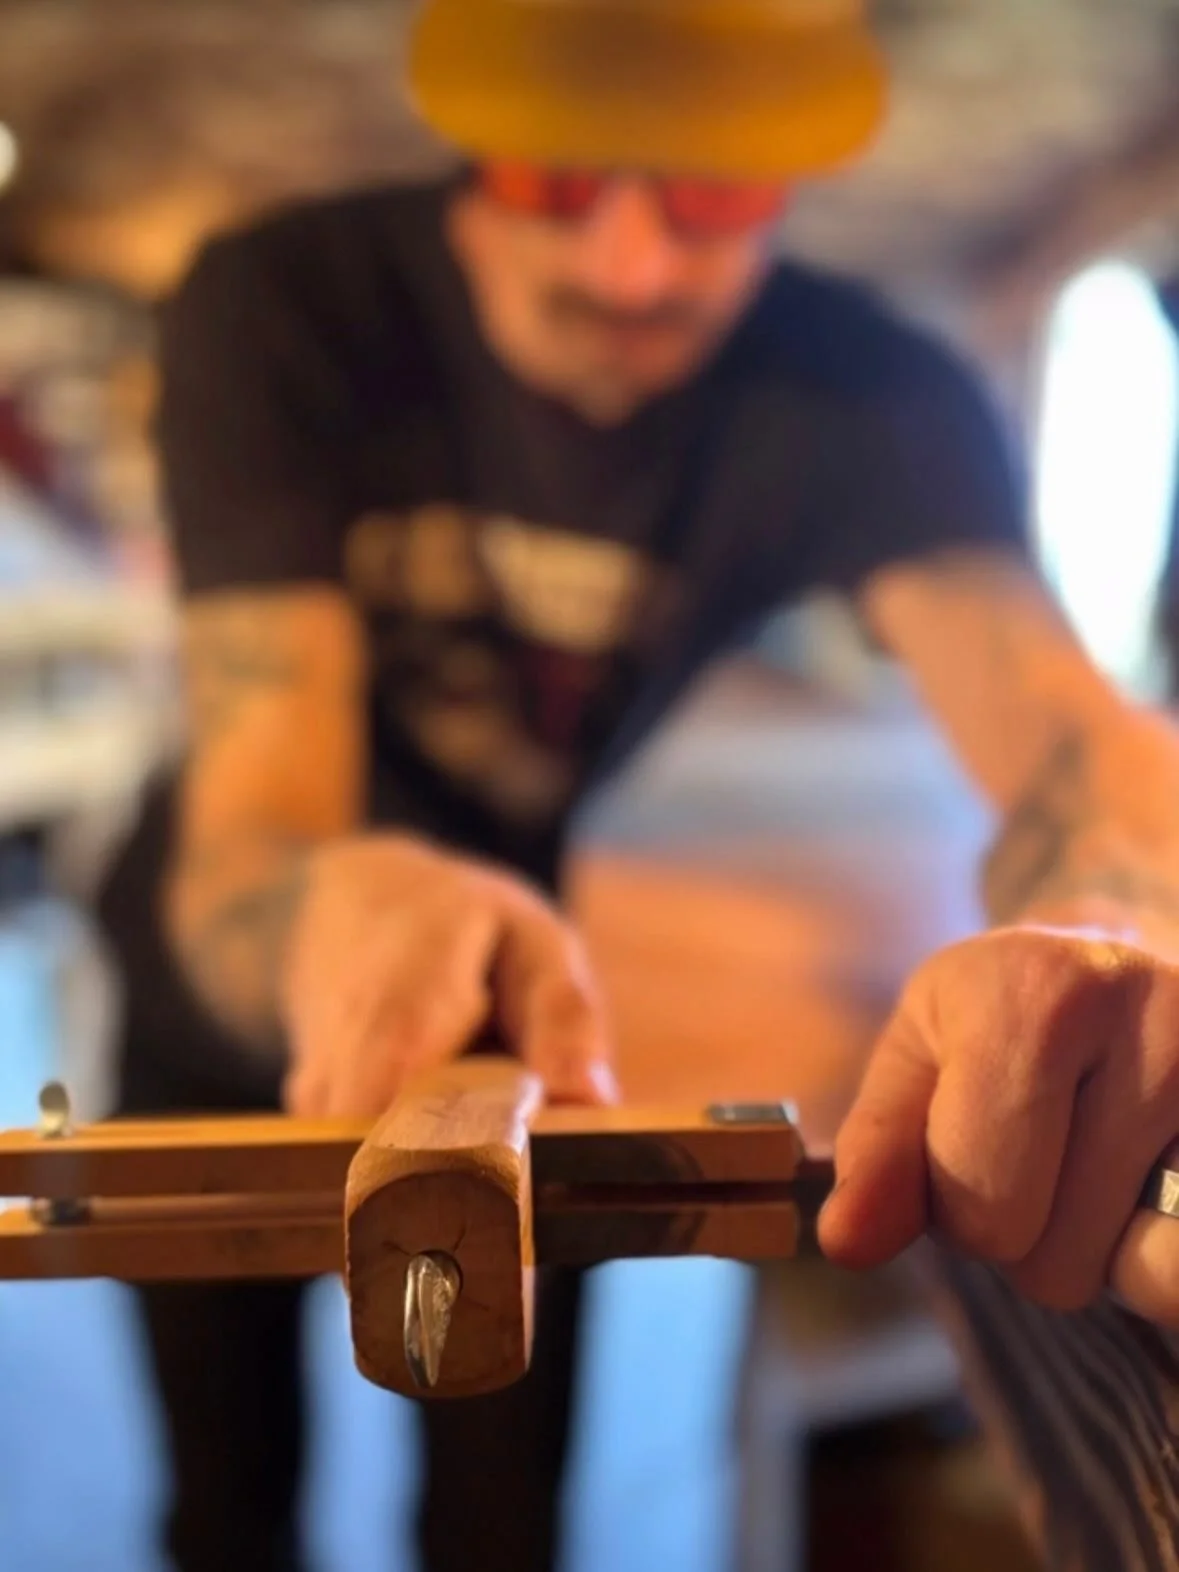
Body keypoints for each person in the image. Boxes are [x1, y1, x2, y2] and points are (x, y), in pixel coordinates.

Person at [96, 1, 1179, 1568]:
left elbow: (1067, 734)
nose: (631, 266)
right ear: (477, 146)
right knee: (225, 1502)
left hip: (534, 1016)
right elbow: (259, 815)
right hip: (237, 981)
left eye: (710, 199)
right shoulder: (287, 303)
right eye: (559, 183)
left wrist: (1112, 939)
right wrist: (336, 900)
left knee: (500, 1508)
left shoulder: (868, 393)